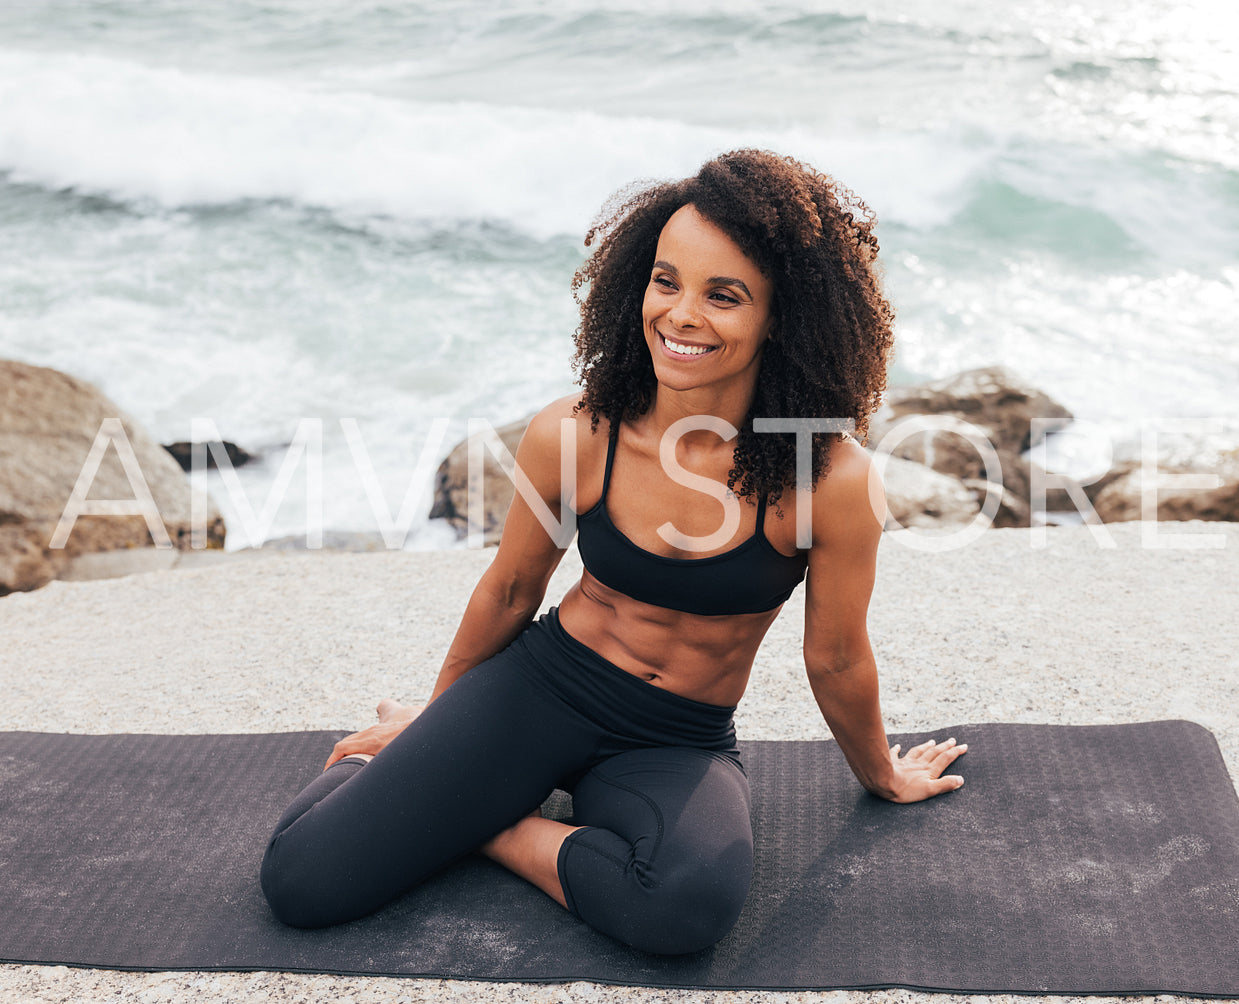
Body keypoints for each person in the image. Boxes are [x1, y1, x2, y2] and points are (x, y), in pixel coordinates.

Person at [259, 149, 968, 955]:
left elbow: (836, 658)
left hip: (676, 735)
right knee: (302, 880)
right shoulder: (576, 432)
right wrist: (437, 718)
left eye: (723, 295)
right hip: (542, 687)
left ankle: (492, 823)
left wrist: (882, 774)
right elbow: (511, 588)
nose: (680, 315)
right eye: (665, 282)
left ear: (785, 316)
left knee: (684, 909)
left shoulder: (830, 479)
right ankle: (449, 791)